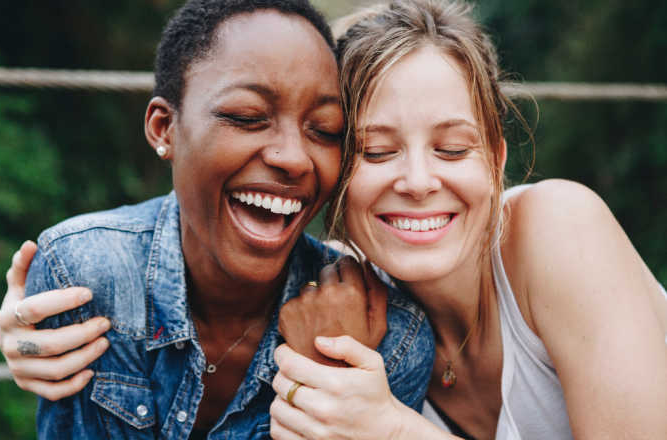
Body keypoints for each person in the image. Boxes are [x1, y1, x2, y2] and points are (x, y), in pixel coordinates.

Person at [0, 1, 435, 438]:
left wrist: (323, 379)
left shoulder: (387, 343)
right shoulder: (89, 278)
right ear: (164, 128)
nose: (294, 158)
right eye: (246, 117)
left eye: (324, 130)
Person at [267, 0, 667, 439]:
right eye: (377, 152)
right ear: (336, 172)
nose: (418, 182)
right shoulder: (347, 294)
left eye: (453, 149)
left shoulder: (562, 227)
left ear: (496, 160)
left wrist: (397, 431)